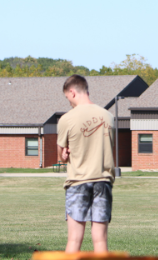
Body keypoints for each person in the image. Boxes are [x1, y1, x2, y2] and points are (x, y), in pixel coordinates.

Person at [57, 74, 116, 253]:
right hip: (103, 182)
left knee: (75, 240)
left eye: (68, 98)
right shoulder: (108, 116)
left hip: (78, 183)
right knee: (100, 241)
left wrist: (65, 154)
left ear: (72, 92)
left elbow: (62, 156)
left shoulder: (67, 119)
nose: (69, 102)